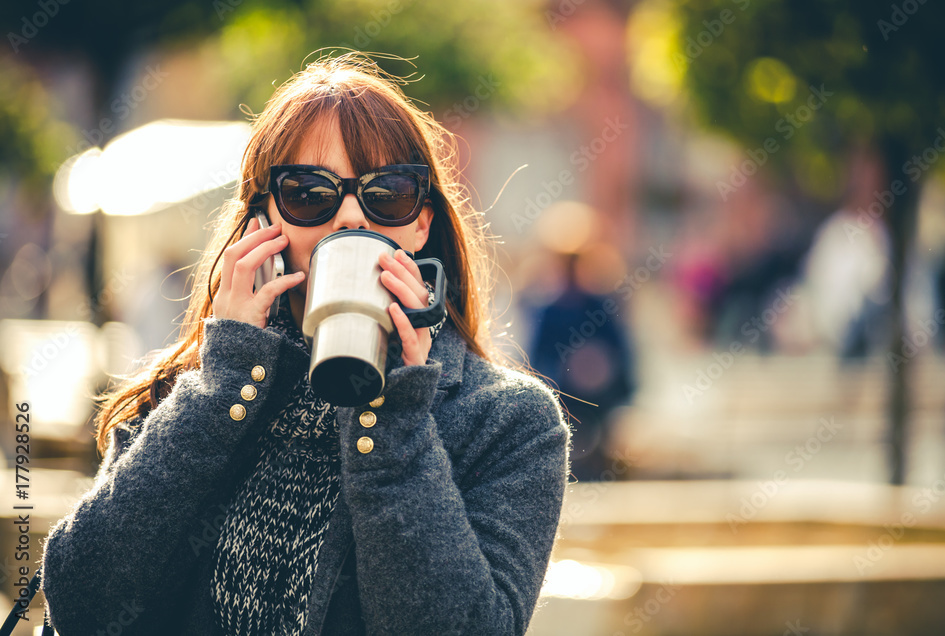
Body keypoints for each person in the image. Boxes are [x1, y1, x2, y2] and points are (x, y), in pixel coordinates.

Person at [40, 53, 570, 636]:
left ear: (421, 223)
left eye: (386, 192)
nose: (349, 216)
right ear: (263, 221)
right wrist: (223, 383)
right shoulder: (193, 392)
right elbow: (82, 605)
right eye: (310, 192)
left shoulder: (509, 421)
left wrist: (393, 415)